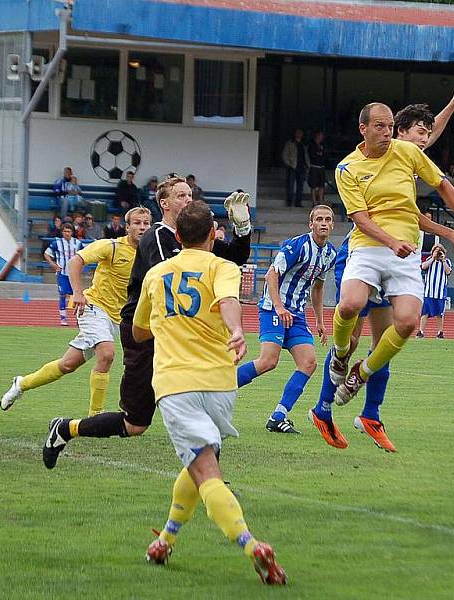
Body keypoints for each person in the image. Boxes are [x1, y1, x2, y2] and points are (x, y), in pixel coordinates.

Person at [39, 178, 253, 468]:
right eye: (180, 195)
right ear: (163, 203)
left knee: (198, 400)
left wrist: (243, 227)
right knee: (134, 424)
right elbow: (174, 276)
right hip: (145, 331)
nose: (187, 200)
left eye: (190, 195)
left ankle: (210, 480)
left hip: (177, 331)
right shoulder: (159, 237)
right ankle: (65, 428)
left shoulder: (195, 240)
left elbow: (237, 256)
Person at [131, 201, 286, 584]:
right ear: (214, 235)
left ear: (178, 236)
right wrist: (235, 330)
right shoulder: (224, 267)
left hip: (176, 384)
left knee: (206, 470)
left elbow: (138, 333)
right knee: (201, 462)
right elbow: (229, 301)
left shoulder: (157, 273)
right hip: (220, 383)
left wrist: (168, 323)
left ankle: (251, 544)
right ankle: (166, 539)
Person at [310, 95, 454, 452]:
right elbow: (364, 218)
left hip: (401, 253)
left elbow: (426, 196)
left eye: (427, 135)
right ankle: (324, 406)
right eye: (419, 133)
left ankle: (369, 411)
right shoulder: (353, 166)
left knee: (391, 334)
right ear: (372, 129)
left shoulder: (408, 155)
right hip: (366, 248)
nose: (425, 139)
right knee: (352, 326)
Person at [0, 208, 152, 417]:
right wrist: (77, 293)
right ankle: (95, 416)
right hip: (93, 307)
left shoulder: (149, 254)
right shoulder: (111, 246)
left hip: (117, 318)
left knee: (68, 364)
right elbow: (74, 262)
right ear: (127, 227)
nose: (142, 227)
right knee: (107, 355)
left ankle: (21, 384)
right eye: (137, 223)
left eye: (146, 223)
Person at [236, 205, 337, 433]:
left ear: (332, 224)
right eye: (318, 219)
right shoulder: (296, 246)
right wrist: (280, 307)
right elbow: (272, 274)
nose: (323, 223)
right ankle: (220, 389)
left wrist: (320, 320)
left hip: (297, 314)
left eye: (327, 219)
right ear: (311, 224)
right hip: (274, 308)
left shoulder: (330, 254)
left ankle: (278, 416)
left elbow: (318, 287)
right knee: (268, 361)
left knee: (309, 363)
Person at [44, 223, 83, 326]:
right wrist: (53, 264)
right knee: (62, 294)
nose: (67, 233)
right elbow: (46, 254)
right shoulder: (57, 243)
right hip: (62, 273)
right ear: (62, 232)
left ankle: (78, 319)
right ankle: (63, 318)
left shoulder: (77, 243)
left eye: (69, 231)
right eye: (65, 231)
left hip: (74, 274)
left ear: (72, 232)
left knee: (76, 294)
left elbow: (84, 255)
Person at [416, 243, 452, 339]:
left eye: (440, 251)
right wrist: (433, 257)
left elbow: (448, 272)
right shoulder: (429, 260)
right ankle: (421, 331)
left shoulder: (447, 261)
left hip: (440, 292)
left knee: (440, 313)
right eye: (436, 251)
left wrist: (443, 260)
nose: (438, 253)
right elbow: (423, 267)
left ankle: (440, 332)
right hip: (429, 292)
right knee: (425, 312)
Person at [281, 129, 309, 207]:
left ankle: (298, 202)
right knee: (290, 185)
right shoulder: (290, 143)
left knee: (300, 186)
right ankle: (289, 202)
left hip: (301, 167)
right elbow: (285, 155)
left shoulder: (303, 145)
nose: (299, 134)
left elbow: (305, 156)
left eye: (301, 133)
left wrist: (307, 165)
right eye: (298, 133)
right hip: (292, 167)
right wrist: (289, 164)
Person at [308, 131, 326, 207]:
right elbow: (312, 154)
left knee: (321, 185)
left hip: (321, 167)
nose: (321, 137)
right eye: (320, 136)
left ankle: (321, 200)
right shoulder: (312, 145)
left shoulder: (322, 145)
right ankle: (314, 201)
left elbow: (324, 154)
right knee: (313, 185)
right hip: (314, 166)